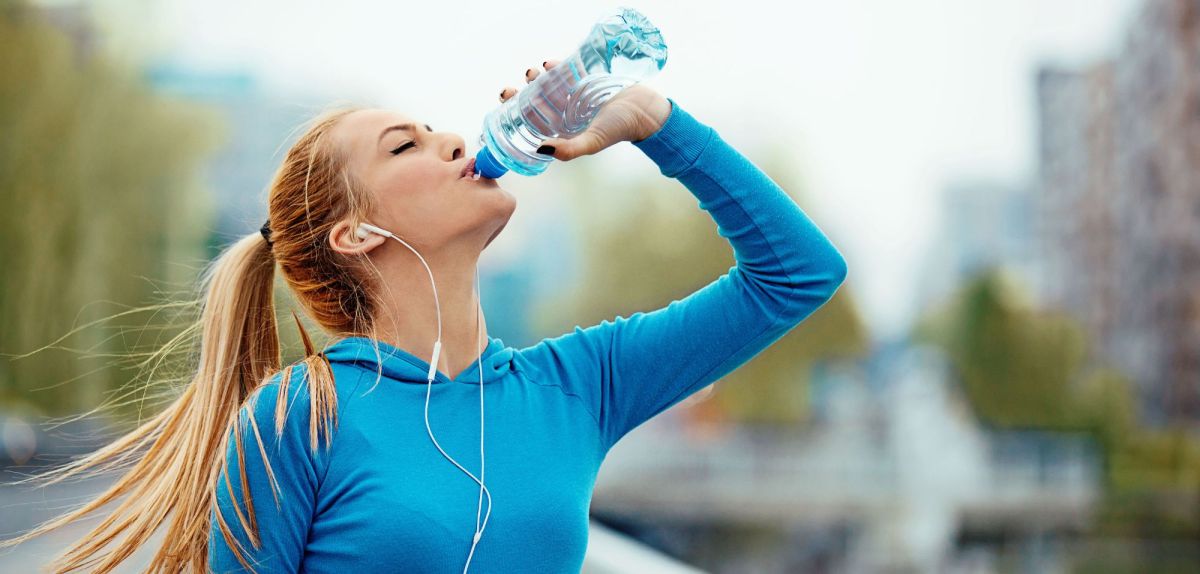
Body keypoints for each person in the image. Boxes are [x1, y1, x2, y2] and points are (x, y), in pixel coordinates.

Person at [1, 59, 847, 573]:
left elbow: (799, 273)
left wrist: (655, 124)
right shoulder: (300, 416)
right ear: (356, 232)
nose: (452, 141)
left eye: (440, 130)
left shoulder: (578, 386)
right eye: (406, 145)